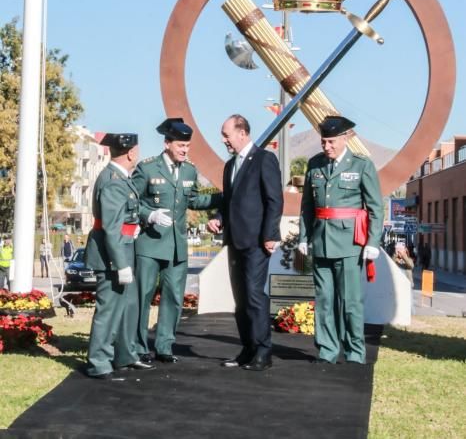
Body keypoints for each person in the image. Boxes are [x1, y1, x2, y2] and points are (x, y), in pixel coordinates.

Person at [132, 117, 222, 364]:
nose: (184, 150)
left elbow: (193, 200)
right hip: (150, 245)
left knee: (173, 297)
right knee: (143, 297)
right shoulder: (148, 168)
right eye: (180, 145)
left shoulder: (189, 170)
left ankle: (164, 346)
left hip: (176, 247)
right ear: (167, 143)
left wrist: (222, 198)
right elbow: (132, 201)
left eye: (187, 146)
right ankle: (138, 346)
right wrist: (148, 215)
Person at [298, 115, 384, 365]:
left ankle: (354, 352)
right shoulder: (314, 164)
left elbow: (376, 207)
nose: (326, 147)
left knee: (350, 302)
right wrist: (304, 237)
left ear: (345, 138)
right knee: (324, 300)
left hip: (350, 245)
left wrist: (372, 243)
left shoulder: (361, 165)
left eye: (331, 142)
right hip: (321, 241)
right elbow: (307, 206)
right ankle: (326, 350)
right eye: (323, 142)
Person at [208, 114, 283, 372]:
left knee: (254, 294)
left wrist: (270, 234)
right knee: (240, 298)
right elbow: (229, 201)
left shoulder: (265, 159)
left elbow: (274, 200)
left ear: (242, 132)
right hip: (234, 241)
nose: (223, 140)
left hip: (257, 241)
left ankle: (264, 350)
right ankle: (248, 348)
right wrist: (218, 219)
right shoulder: (230, 166)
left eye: (226, 134)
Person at [85, 133, 153, 380]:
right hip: (113, 254)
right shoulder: (113, 180)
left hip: (123, 248)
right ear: (131, 153)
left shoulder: (120, 178)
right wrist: (120, 264)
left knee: (125, 306)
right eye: (138, 150)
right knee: (109, 309)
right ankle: (99, 362)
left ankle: (124, 355)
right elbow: (111, 228)